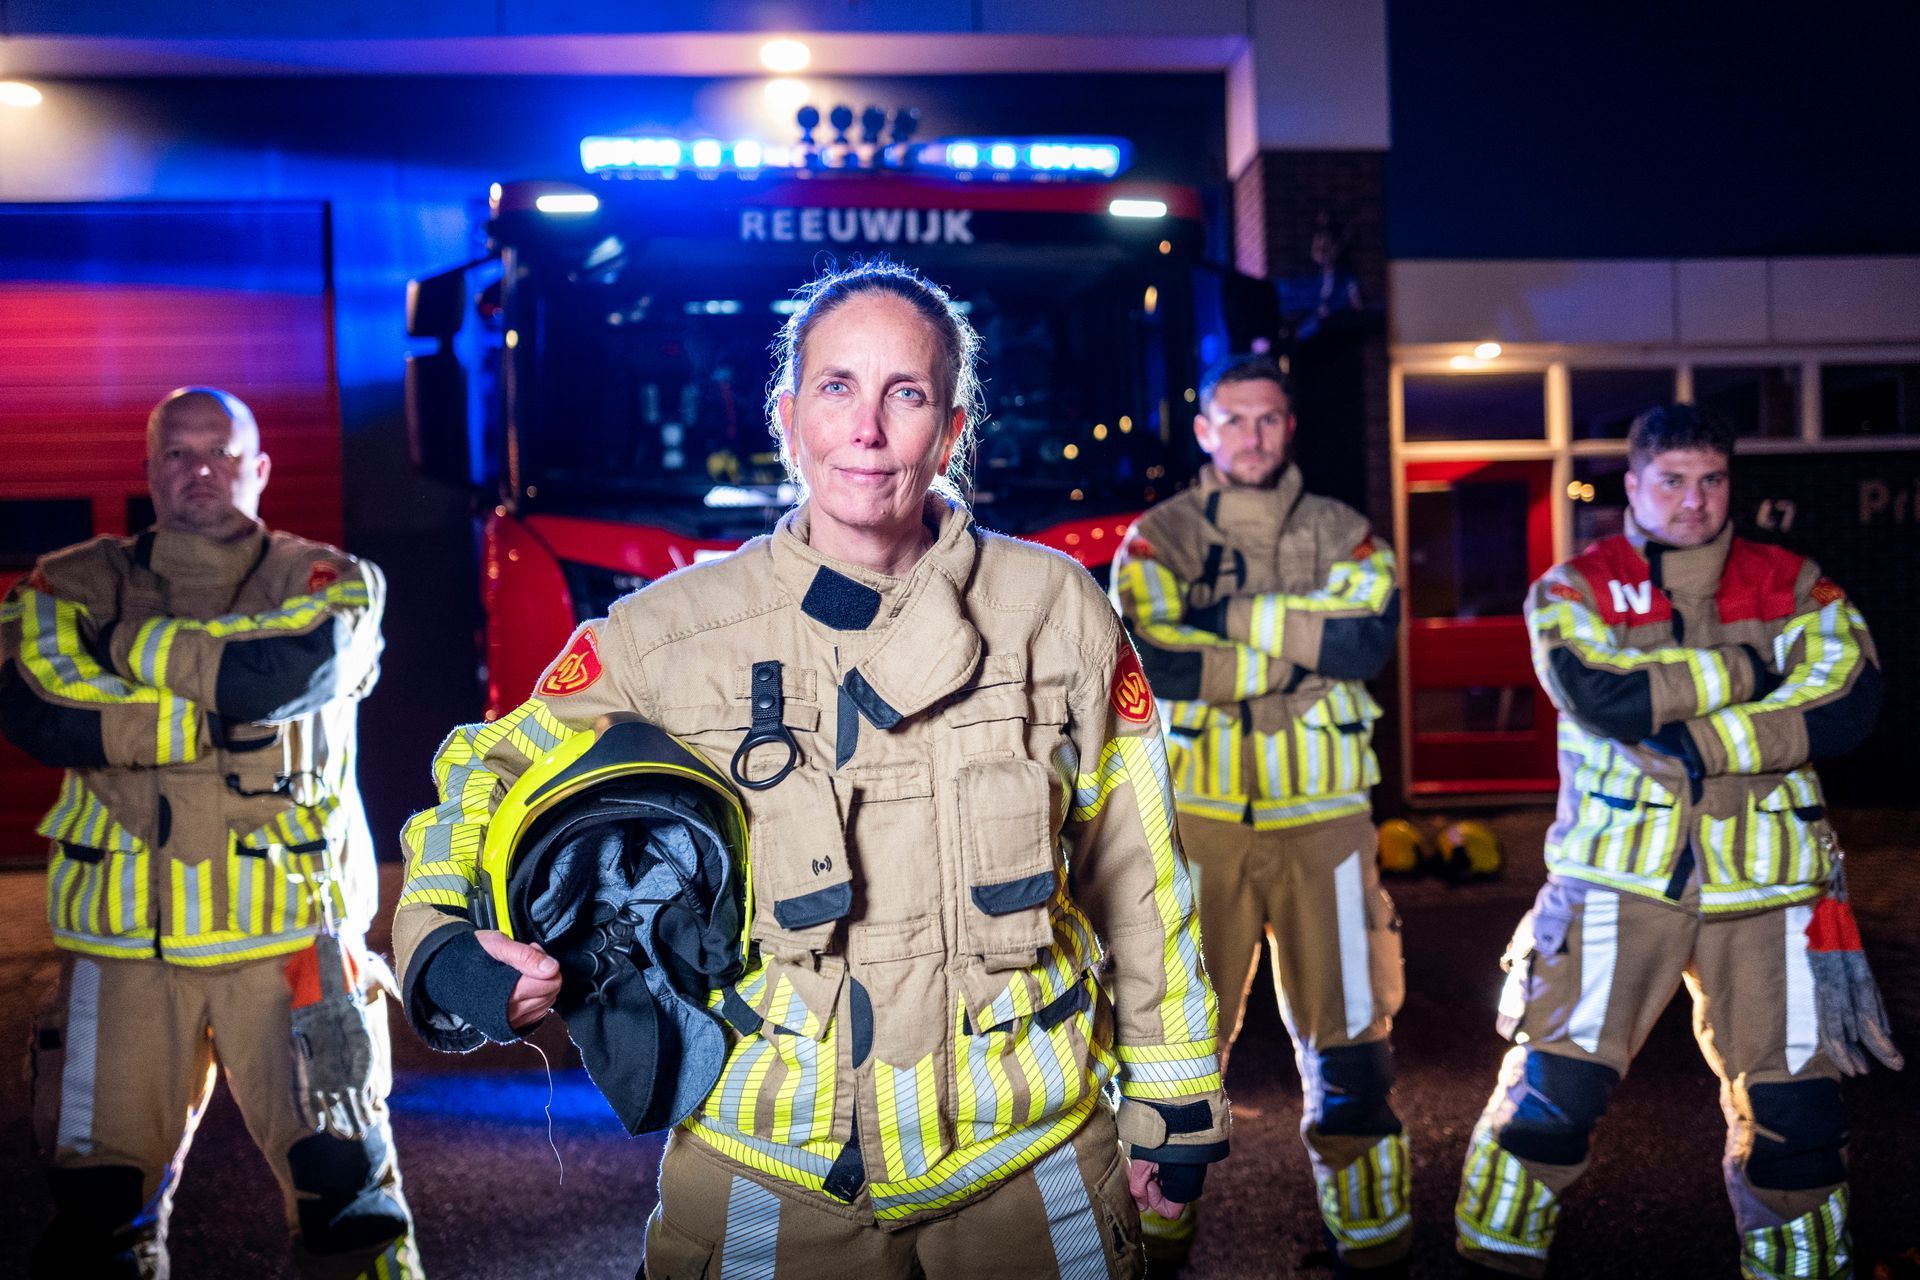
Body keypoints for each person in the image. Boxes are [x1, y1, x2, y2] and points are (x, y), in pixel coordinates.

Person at [391, 261, 1230, 1278]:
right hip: (766, 1168)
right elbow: (493, 759)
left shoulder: (1056, 611)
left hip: (1030, 1157)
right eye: (837, 387)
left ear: (953, 429)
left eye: (905, 393)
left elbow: (1138, 872)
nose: (867, 429)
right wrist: (438, 933)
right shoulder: (675, 630)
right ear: (788, 416)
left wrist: (1175, 1095)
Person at [1453, 404, 1886, 1278]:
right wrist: (1759, 671)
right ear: (1634, 486)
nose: (1695, 500)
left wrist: (1696, 733)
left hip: (1770, 892)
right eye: (1674, 481)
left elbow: (1851, 701)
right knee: (1553, 1102)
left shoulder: (1794, 581)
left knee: (1798, 1121)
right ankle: (1490, 1262)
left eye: (1713, 479)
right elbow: (1601, 696)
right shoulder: (1574, 587)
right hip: (1617, 886)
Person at [0, 388, 418, 1278]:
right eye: (180, 455)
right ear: (151, 470)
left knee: (348, 1202)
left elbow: (289, 666)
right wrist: (203, 717)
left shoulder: (332, 580)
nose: (201, 471)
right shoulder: (66, 578)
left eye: (222, 453)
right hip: (123, 956)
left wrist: (121, 650)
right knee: (96, 1212)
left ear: (259, 468)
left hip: (295, 949)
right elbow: (37, 702)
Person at [1109, 354, 1408, 1272]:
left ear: (1290, 426)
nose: (1252, 438)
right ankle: (1156, 1242)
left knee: (1352, 1039)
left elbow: (1363, 640)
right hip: (1192, 827)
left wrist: (1225, 613)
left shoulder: (1344, 529)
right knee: (1172, 1043)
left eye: (1269, 420)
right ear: (1205, 431)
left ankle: (1375, 1245)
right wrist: (1296, 645)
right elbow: (1156, 660)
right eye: (1233, 421)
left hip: (1327, 825)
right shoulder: (1156, 536)